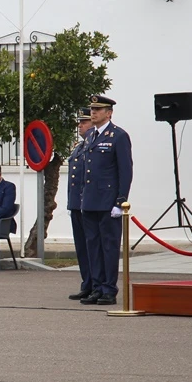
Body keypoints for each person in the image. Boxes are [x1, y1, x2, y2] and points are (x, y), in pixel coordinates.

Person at [79, 95, 133, 306]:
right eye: (92, 109)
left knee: (109, 246)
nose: (93, 112)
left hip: (108, 201)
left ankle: (109, 289)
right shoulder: (91, 135)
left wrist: (121, 201)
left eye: (98, 109)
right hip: (91, 201)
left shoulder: (118, 136)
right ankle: (97, 286)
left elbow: (125, 171)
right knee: (93, 246)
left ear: (109, 113)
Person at [66, 108, 95, 301]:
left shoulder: (93, 145)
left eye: (84, 122)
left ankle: (96, 284)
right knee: (81, 247)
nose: (80, 126)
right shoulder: (79, 146)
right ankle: (87, 283)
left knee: (91, 246)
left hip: (88, 203)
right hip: (76, 203)